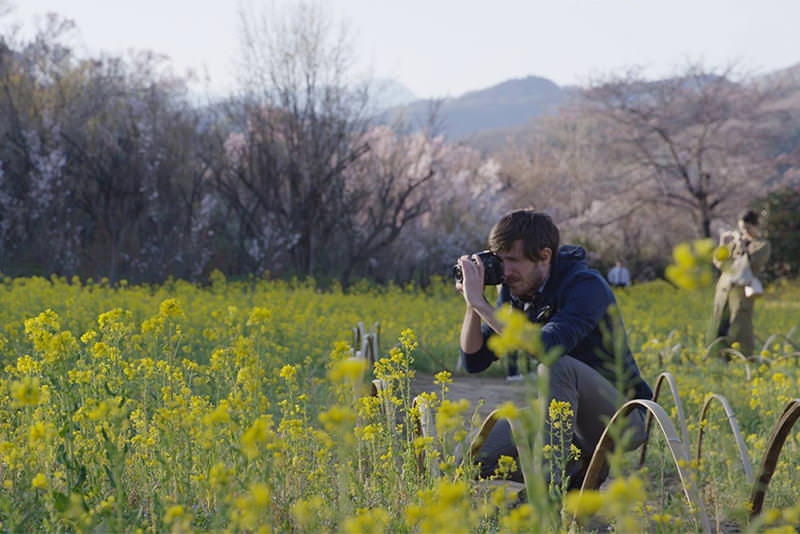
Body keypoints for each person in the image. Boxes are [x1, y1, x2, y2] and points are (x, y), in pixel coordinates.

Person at [456, 209, 652, 491]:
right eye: (500, 261)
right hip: (561, 419)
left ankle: (548, 491)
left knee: (556, 364)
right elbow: (474, 360)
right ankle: (578, 470)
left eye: (513, 261)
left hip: (621, 417)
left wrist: (484, 306)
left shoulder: (586, 286)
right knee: (469, 460)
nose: (506, 272)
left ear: (545, 256)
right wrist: (473, 305)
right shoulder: (514, 291)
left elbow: (546, 348)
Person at [708, 210, 771, 357]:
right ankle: (717, 355)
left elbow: (753, 264)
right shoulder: (734, 244)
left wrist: (743, 248)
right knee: (719, 321)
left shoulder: (762, 245)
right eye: (742, 229)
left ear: (756, 226)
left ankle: (744, 357)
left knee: (740, 324)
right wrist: (723, 243)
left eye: (748, 229)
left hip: (742, 291)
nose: (745, 232)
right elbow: (719, 262)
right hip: (724, 289)